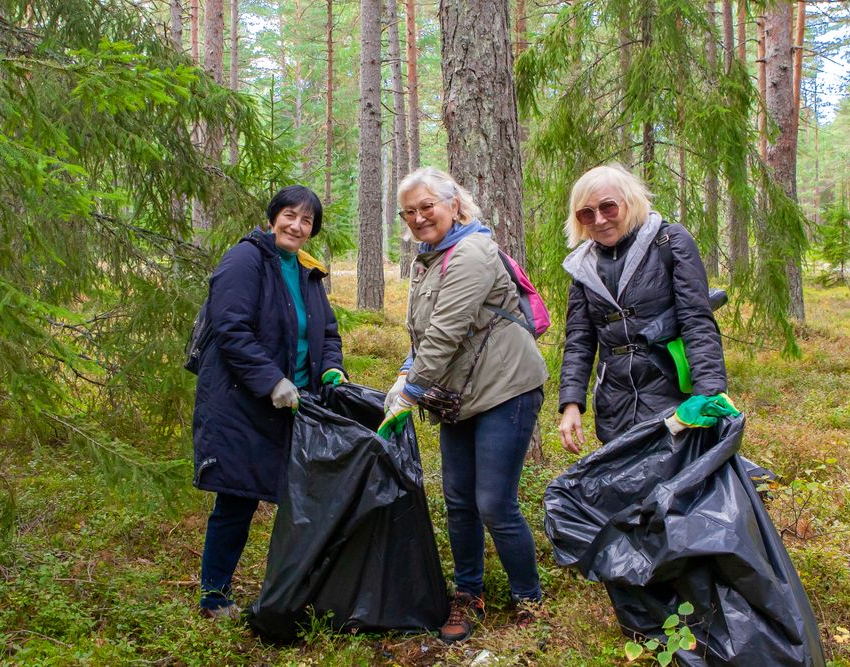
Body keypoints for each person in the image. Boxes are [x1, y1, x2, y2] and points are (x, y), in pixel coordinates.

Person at [378, 167, 548, 643]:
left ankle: (528, 594)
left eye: (427, 206)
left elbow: (448, 332)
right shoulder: (428, 258)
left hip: (505, 389)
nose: (418, 218)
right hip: (458, 395)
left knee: (493, 501)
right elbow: (426, 334)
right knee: (457, 501)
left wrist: (410, 393)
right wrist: (402, 375)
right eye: (408, 212)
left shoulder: (472, 251)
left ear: (454, 204)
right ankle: (468, 592)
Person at [191, 185, 347, 619]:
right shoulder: (245, 259)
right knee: (237, 499)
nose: (297, 226)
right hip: (244, 402)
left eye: (307, 221)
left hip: (299, 404)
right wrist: (272, 381)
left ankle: (288, 590)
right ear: (273, 215)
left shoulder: (306, 270)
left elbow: (327, 333)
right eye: (290, 216)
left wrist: (332, 368)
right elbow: (231, 329)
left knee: (301, 497)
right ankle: (214, 595)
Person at [557, 163, 739, 454]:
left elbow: (696, 321)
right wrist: (571, 404)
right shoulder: (583, 266)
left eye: (608, 207)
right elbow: (579, 340)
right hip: (614, 402)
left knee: (679, 487)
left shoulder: (670, 241)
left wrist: (709, 392)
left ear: (629, 202)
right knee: (625, 491)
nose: (600, 220)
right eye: (587, 213)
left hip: (671, 392)